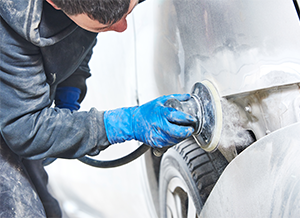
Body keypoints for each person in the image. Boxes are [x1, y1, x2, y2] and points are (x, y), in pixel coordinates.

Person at [0, 0, 196, 217]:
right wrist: (124, 124)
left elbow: (77, 38)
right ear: (55, 4)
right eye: (104, 26)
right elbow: (25, 128)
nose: (123, 27)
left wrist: (71, 86)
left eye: (130, 9)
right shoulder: (8, 34)